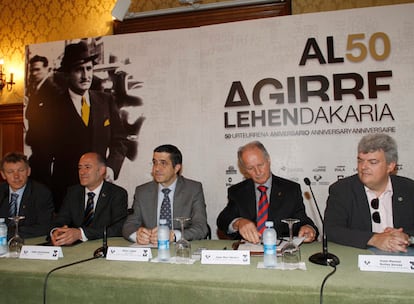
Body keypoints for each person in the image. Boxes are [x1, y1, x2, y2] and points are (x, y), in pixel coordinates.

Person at [51, 41, 129, 211]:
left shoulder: (105, 100)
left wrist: (111, 168)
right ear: (67, 74)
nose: (85, 75)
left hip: (101, 187)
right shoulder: (52, 107)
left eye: (88, 69)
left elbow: (120, 140)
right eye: (79, 70)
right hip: (65, 191)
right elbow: (44, 153)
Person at [324, 133, 414, 252]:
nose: (363, 167)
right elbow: (332, 230)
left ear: (390, 166)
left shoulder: (409, 189)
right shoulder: (342, 189)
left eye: (373, 162)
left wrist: (407, 237)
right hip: (357, 259)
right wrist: (374, 239)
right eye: (360, 161)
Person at [217, 141, 318, 244]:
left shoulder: (290, 189)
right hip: (249, 251)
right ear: (244, 170)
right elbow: (223, 220)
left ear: (268, 160)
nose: (257, 172)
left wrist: (308, 229)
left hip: (280, 251)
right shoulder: (238, 191)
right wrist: (238, 223)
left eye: (260, 165)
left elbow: (302, 220)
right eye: (250, 168)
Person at [123, 144, 208, 245]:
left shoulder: (193, 189)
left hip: (180, 249)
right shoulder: (142, 192)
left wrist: (174, 235)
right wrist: (137, 235)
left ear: (176, 168)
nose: (157, 169)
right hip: (152, 248)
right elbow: (129, 225)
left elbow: (201, 227)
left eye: (163, 163)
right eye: (155, 163)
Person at [51, 152, 128, 246]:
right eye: (80, 167)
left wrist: (81, 233)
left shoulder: (117, 194)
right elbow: (60, 220)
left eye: (87, 167)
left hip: (101, 246)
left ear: (101, 170)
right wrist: (56, 231)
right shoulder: (73, 192)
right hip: (74, 248)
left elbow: (118, 229)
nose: (82, 172)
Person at [0, 152, 54, 240]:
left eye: (21, 170)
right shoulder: (1, 191)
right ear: (3, 175)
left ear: (28, 171)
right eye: (10, 172)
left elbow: (44, 227)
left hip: (29, 242)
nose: (16, 176)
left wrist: (7, 233)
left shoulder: (41, 192)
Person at [25, 55, 60, 189]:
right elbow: (29, 114)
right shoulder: (36, 88)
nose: (34, 73)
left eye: (38, 70)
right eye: (32, 70)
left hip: (46, 146)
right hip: (38, 146)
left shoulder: (52, 90)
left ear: (47, 69)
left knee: (42, 181)